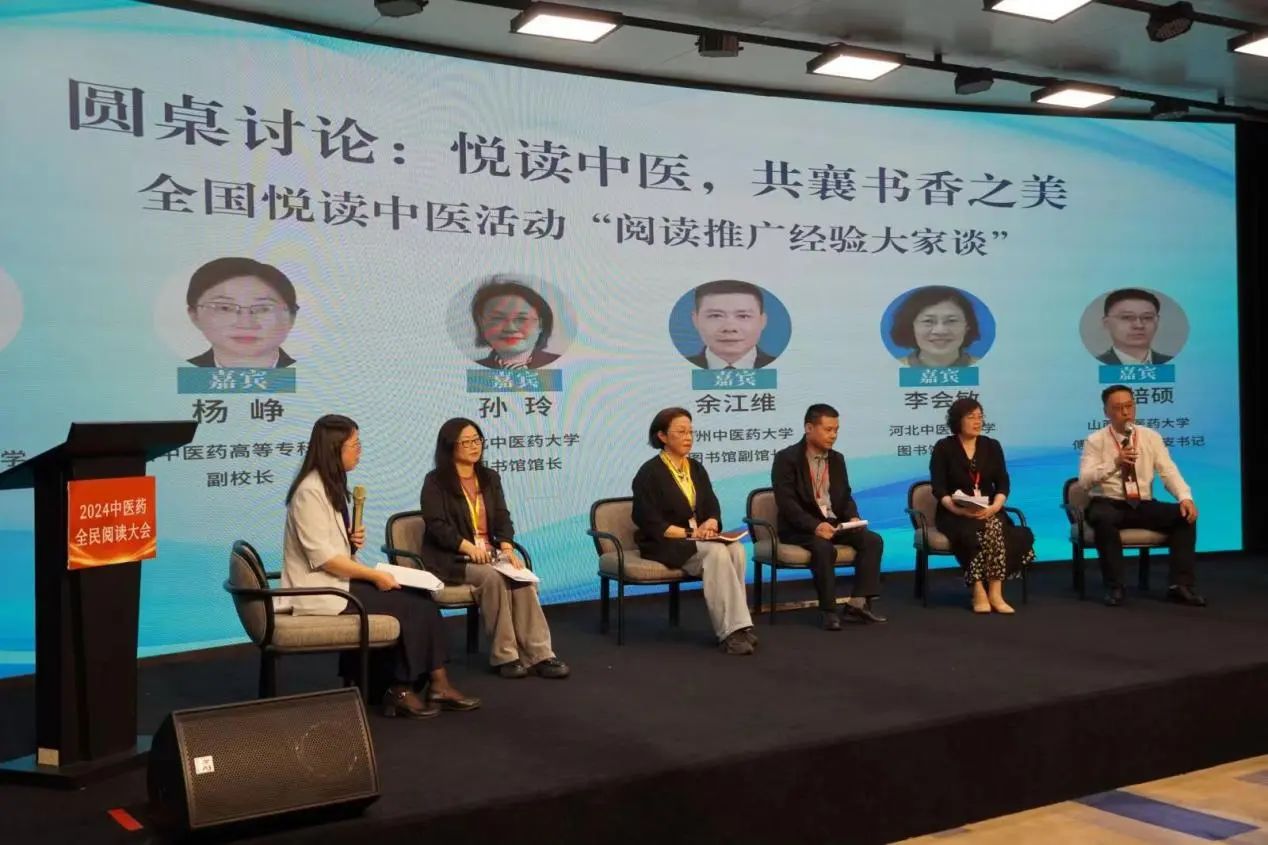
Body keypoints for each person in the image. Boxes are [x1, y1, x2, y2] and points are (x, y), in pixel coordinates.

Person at [282, 415, 480, 718]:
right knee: (412, 606)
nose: (359, 450)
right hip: (322, 590)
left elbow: (328, 548)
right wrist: (375, 575)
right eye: (354, 445)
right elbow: (324, 559)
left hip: (338, 582)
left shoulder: (329, 484)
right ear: (334, 449)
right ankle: (404, 689)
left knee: (418, 596)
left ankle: (425, 685)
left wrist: (348, 540)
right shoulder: (310, 491)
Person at [419, 418, 570, 679]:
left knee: (522, 578)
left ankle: (540, 654)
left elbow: (502, 516)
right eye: (466, 442)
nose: (474, 446)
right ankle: (506, 656)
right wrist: (468, 547)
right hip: (452, 558)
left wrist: (507, 548)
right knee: (492, 578)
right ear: (450, 446)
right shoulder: (436, 482)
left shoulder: (489, 477)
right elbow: (436, 524)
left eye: (477, 440)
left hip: (491, 554)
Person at [631, 407, 757, 654]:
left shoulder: (696, 468)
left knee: (736, 550)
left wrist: (711, 522)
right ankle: (730, 633)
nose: (688, 437)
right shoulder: (649, 473)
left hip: (695, 539)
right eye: (681, 432)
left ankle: (741, 625)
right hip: (664, 543)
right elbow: (648, 521)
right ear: (662, 436)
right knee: (716, 553)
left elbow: (711, 503)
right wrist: (690, 534)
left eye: (690, 431)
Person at [1077, 385, 1203, 607]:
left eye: (1129, 406)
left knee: (1184, 516)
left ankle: (1180, 586)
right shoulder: (1095, 440)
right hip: (1108, 503)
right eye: (1118, 408)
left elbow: (1168, 471)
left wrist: (1185, 497)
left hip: (1141, 503)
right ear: (1106, 412)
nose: (1125, 412)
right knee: (1103, 519)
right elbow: (1084, 480)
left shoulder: (1150, 437)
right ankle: (1115, 586)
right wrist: (1114, 463)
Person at [771, 404, 886, 630]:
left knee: (872, 540)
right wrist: (815, 526)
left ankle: (857, 604)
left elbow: (845, 495)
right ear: (809, 428)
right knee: (823, 548)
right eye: (828, 429)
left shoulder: (837, 459)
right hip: (800, 528)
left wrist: (852, 517)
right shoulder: (787, 458)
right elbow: (787, 504)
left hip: (834, 524)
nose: (833, 435)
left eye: (836, 430)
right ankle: (829, 610)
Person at [929, 398, 1034, 613]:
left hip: (989, 509)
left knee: (995, 527)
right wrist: (958, 509)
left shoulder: (992, 446)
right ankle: (978, 590)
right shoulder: (944, 447)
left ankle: (995, 591)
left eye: (980, 417)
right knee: (973, 534)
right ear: (957, 420)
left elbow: (1003, 482)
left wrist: (995, 506)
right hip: (955, 513)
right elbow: (938, 487)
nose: (977, 422)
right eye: (971, 417)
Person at [186, 257, 298, 367]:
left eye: (263, 309)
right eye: (225, 308)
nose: (246, 324)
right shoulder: (177, 374)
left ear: (291, 317)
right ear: (194, 316)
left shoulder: (306, 374)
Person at [471, 278, 560, 370]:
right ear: (481, 323)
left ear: (540, 324)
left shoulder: (563, 364)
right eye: (498, 318)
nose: (510, 328)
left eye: (521, 319)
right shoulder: (470, 370)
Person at [685, 279, 775, 369]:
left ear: (762, 321)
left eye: (743, 316)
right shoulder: (680, 368)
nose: (730, 328)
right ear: (695, 320)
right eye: (716, 316)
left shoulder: (781, 367)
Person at [889, 286, 981, 368]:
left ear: (967, 326)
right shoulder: (891, 370)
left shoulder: (984, 369)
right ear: (911, 327)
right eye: (928, 321)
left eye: (951, 321)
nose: (940, 331)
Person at [1095, 288, 1174, 365]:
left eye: (1147, 317)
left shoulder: (1172, 364)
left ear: (1157, 322)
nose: (1139, 325)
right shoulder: (1095, 366)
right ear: (1106, 323)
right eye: (1127, 317)